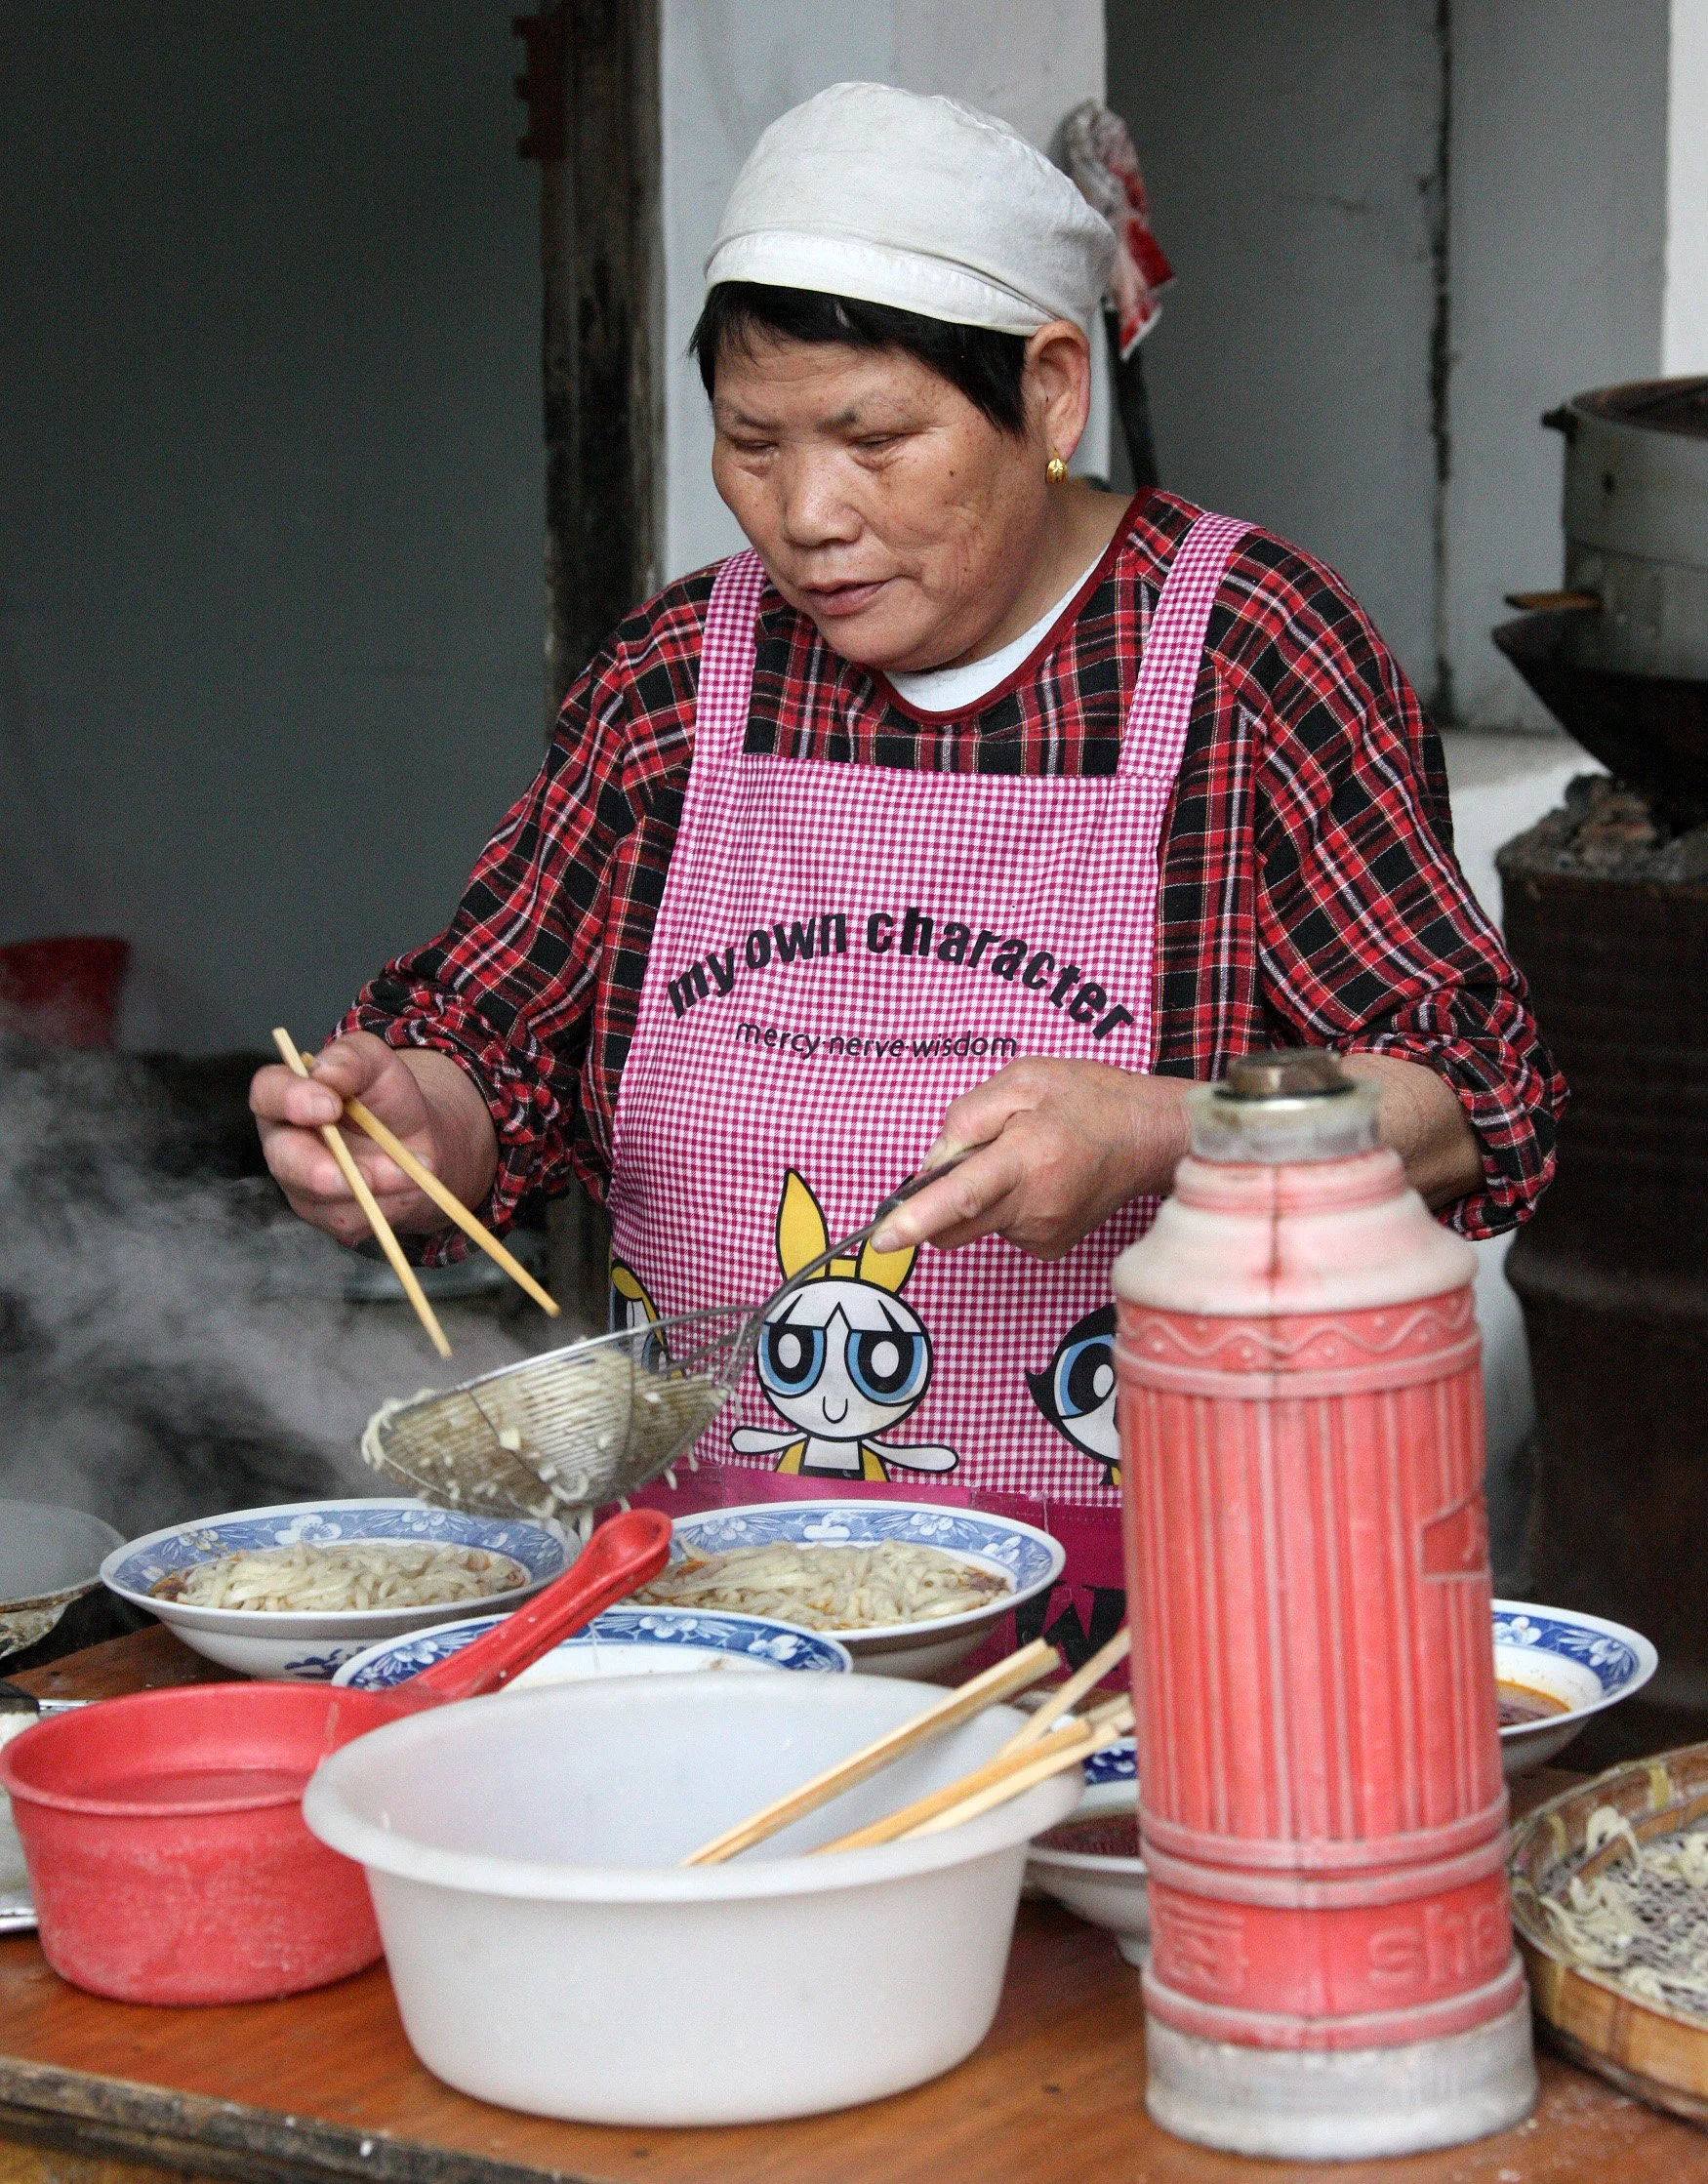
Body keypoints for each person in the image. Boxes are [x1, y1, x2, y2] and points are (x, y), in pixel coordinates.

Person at [251, 83, 1565, 1665]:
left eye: (874, 441)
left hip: (1162, 1625)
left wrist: (1164, 1128)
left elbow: (1470, 1092)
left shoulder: (1247, 655)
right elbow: (499, 1053)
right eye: (753, 445)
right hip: (704, 1607)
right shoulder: (678, 678)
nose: (808, 516)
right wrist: (418, 1126)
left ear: (1049, 393)